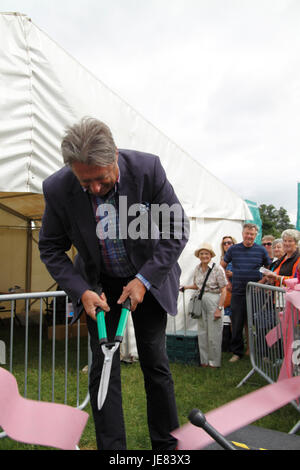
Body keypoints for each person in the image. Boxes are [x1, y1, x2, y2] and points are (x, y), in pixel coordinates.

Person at [38, 117, 189, 451]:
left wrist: (144, 279)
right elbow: (50, 247)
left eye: (101, 179)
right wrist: (81, 290)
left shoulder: (147, 170)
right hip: (98, 286)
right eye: (85, 181)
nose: (93, 188)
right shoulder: (57, 188)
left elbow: (175, 229)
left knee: (155, 362)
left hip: (147, 277)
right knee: (104, 366)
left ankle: (167, 448)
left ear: (115, 157)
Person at [221, 223, 271, 362]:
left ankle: (263, 353)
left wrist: (261, 283)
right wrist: (228, 282)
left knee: (259, 323)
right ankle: (237, 353)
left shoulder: (261, 250)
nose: (249, 236)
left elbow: (268, 270)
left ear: (256, 235)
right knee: (236, 324)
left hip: (256, 292)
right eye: (247, 233)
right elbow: (222, 266)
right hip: (238, 292)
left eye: (252, 234)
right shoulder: (234, 249)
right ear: (242, 234)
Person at [180, 243, 227, 368]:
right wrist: (186, 287)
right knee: (202, 331)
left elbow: (224, 290)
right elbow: (198, 286)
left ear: (211, 255)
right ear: (198, 256)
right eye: (201, 254)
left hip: (214, 299)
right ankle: (204, 361)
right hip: (201, 300)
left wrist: (219, 308)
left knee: (214, 334)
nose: (204, 256)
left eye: (206, 253)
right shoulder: (198, 268)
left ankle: (214, 362)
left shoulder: (217, 269)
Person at [220, 236, 236, 351]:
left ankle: (237, 345)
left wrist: (233, 274)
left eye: (229, 242)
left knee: (236, 319)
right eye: (225, 243)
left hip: (237, 290)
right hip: (226, 292)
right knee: (227, 318)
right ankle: (228, 344)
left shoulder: (239, 257)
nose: (227, 245)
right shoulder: (222, 259)